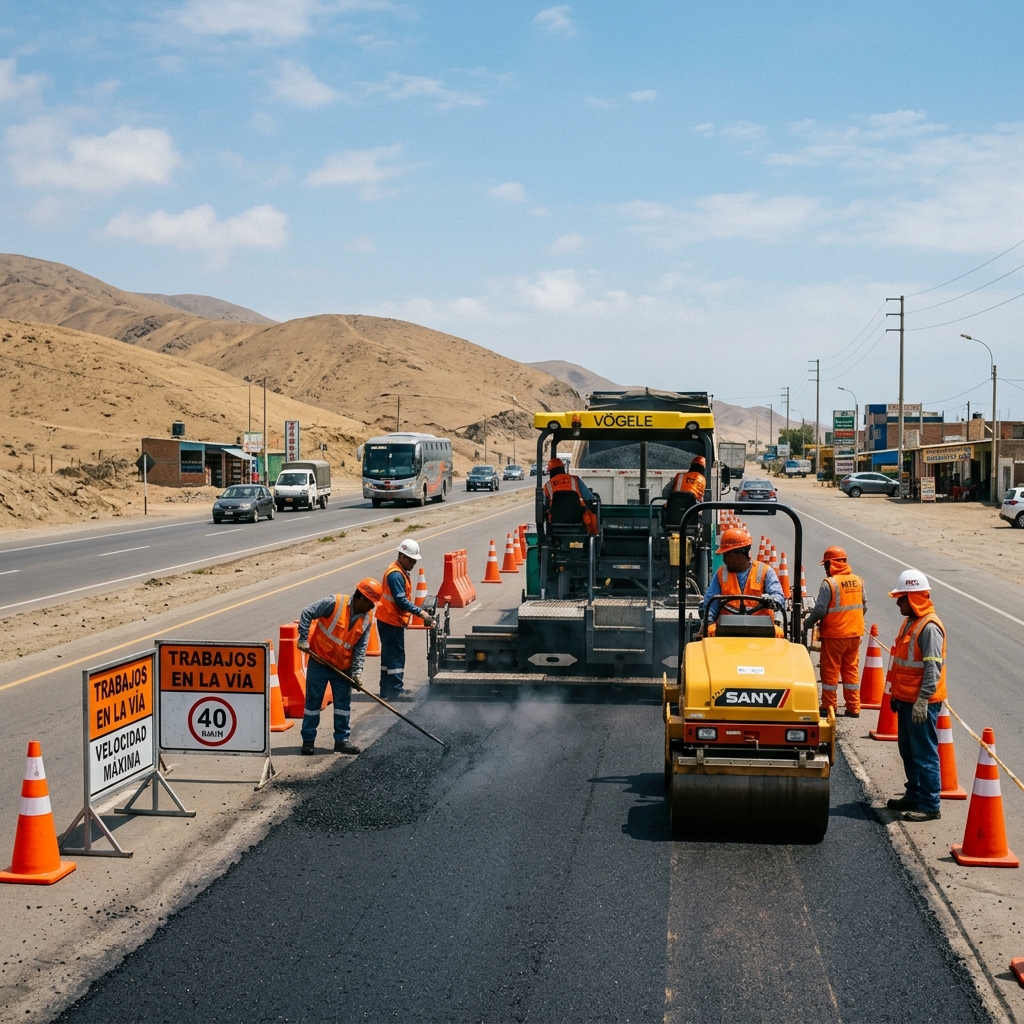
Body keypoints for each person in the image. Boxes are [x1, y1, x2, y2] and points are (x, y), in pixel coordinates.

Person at [885, 569, 946, 822]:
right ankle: (914, 794)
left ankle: (930, 804)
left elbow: (933, 668)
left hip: (922, 703)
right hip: (907, 700)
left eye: (902, 598)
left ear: (914, 599)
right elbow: (903, 663)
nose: (898, 602)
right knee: (908, 751)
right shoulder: (911, 621)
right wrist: (896, 694)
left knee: (924, 753)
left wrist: (922, 700)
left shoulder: (929, 627)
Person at [296, 577, 383, 756]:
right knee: (313, 702)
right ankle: (308, 741)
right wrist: (303, 638)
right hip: (320, 661)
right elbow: (307, 612)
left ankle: (342, 740)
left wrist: (357, 673)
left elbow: (360, 647)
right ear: (361, 598)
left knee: (343, 705)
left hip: (343, 668)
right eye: (371, 603)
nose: (372, 607)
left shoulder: (367, 618)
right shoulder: (334, 603)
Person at [803, 545, 866, 718]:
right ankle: (853, 707)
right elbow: (863, 606)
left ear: (831, 564)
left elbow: (820, 609)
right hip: (854, 635)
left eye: (826, 565)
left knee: (830, 671)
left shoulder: (829, 583)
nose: (825, 569)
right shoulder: (858, 581)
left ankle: (829, 707)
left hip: (835, 636)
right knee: (850, 671)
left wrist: (808, 623)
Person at [699, 526, 785, 635]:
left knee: (779, 633)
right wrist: (708, 622)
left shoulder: (765, 571)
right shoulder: (721, 574)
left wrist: (772, 601)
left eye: (727, 555)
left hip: (761, 630)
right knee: (711, 631)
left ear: (740, 554)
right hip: (727, 631)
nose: (724, 560)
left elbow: (778, 596)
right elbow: (711, 601)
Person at [376, 539, 434, 701]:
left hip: (388, 618)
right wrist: (421, 613)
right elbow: (401, 600)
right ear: (401, 556)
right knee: (396, 655)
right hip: (390, 620)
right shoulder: (395, 575)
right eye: (410, 560)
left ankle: (386, 689)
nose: (413, 564)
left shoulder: (399, 570)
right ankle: (395, 690)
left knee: (388, 655)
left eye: (415, 561)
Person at [542, 458, 598, 534]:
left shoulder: (547, 486)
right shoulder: (575, 479)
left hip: (556, 522)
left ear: (551, 472)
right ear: (563, 469)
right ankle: (593, 539)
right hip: (577, 519)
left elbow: (545, 505)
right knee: (592, 514)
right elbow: (589, 497)